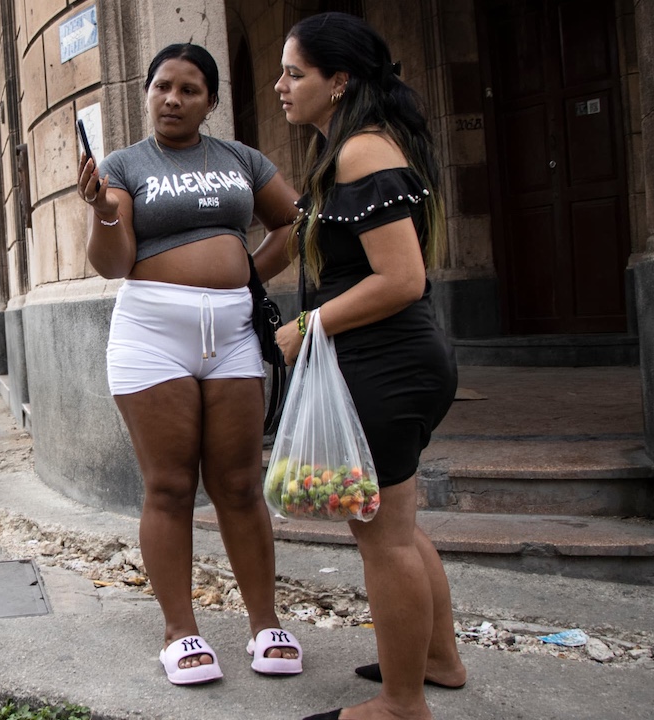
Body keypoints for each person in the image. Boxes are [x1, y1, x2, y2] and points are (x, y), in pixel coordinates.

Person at [78, 43, 304, 686]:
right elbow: (113, 263)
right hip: (152, 332)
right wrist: (101, 209)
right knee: (171, 486)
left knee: (238, 483)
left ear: (210, 100)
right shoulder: (124, 164)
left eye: (190, 89)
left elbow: (293, 223)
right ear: (146, 93)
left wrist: (243, 282)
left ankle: (266, 624)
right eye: (163, 87)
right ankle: (181, 633)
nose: (174, 99)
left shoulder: (240, 159)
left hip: (232, 331)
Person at [270, 12, 465, 720]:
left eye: (295, 73)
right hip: (390, 364)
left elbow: (402, 278)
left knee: (382, 536)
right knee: (400, 526)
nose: (281, 87)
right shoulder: (348, 150)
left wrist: (307, 325)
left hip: (389, 365)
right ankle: (437, 659)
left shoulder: (362, 153)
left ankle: (401, 704)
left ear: (339, 80)